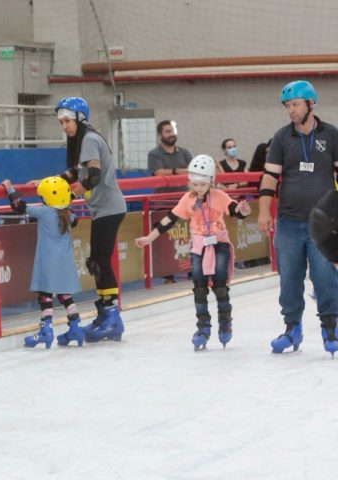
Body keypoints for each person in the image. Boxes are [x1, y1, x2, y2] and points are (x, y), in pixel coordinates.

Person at [134, 156, 251, 350]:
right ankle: (203, 328)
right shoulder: (187, 199)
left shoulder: (219, 196)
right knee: (199, 287)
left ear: (211, 181)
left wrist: (243, 210)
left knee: (220, 285)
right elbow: (169, 220)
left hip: (219, 244)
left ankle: (225, 322)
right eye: (195, 184)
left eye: (203, 184)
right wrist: (149, 238)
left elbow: (235, 210)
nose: (198, 188)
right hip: (198, 248)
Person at [257, 80, 338, 356]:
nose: (290, 110)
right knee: (289, 277)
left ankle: (331, 327)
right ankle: (292, 328)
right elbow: (269, 177)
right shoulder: (281, 137)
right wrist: (263, 211)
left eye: (295, 105)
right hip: (288, 221)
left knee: (324, 276)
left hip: (322, 223)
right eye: (287, 106)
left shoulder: (332, 135)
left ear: (311, 104)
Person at [43, 97, 127, 343]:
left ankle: (111, 318)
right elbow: (74, 173)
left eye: (67, 121)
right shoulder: (83, 140)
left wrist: (65, 196)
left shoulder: (89, 139)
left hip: (109, 208)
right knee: (96, 261)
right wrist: (50, 183)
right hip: (104, 209)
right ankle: (106, 316)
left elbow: (92, 177)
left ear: (79, 118)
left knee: (100, 262)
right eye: (61, 122)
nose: (64, 126)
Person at [2, 177, 84, 348]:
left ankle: (46, 331)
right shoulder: (69, 214)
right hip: (65, 262)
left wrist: (10, 187)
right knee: (64, 294)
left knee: (45, 295)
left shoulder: (44, 212)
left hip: (48, 261)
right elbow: (74, 220)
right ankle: (75, 327)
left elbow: (18, 206)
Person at [148, 120, 193, 283]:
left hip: (185, 201)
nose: (171, 134)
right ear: (160, 135)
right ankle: (169, 277)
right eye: (167, 131)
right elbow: (159, 173)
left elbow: (193, 170)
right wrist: (178, 171)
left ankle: (191, 271)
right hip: (164, 203)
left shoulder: (185, 152)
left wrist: (174, 173)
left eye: (172, 131)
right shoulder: (154, 154)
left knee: (188, 236)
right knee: (166, 239)